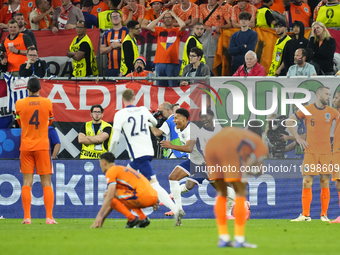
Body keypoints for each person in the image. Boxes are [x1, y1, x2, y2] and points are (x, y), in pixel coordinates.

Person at [108, 89, 184, 226]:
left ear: (122, 100)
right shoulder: (143, 110)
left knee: (152, 184)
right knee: (128, 183)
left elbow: (114, 139)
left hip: (138, 154)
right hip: (148, 152)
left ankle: (174, 209)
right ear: (134, 98)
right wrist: (147, 122)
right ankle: (137, 217)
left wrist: (110, 155)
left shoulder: (120, 114)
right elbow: (155, 122)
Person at [205, 127, 267, 248]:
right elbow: (254, 168)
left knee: (222, 192)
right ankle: (239, 239)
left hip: (210, 146)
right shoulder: (261, 145)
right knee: (240, 191)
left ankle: (223, 238)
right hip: (228, 148)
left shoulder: (242, 135)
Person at [286, 86, 339, 222]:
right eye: (326, 94)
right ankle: (305, 215)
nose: (329, 97)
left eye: (330, 94)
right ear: (319, 94)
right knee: (307, 182)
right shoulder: (307, 109)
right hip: (310, 151)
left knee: (324, 182)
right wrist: (298, 137)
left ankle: (324, 215)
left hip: (327, 152)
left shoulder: (332, 112)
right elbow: (289, 121)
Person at [15, 77, 57, 225]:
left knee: (27, 182)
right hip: (43, 146)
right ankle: (49, 217)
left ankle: (27, 217)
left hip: (26, 146)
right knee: (46, 183)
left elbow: (19, 121)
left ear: (27, 88)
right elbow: (50, 120)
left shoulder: (19, 103)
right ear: (40, 88)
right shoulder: (47, 102)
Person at [90, 152, 158, 228]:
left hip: (143, 196)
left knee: (108, 194)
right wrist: (102, 219)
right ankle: (143, 218)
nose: (100, 166)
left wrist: (99, 215)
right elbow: (114, 199)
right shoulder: (122, 169)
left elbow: (110, 196)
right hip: (153, 197)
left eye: (100, 163)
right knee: (119, 196)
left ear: (104, 162)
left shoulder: (111, 171)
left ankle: (132, 219)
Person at [146, 10, 186, 87]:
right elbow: (149, 27)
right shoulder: (159, 29)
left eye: (169, 17)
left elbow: (183, 25)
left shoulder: (177, 30)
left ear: (173, 19)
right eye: (165, 17)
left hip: (172, 63)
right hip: (159, 63)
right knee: (160, 87)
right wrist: (160, 16)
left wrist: (175, 15)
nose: (167, 19)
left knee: (172, 86)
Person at [100, 11, 129, 77]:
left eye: (117, 16)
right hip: (111, 67)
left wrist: (119, 45)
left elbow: (132, 47)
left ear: (121, 18)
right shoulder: (106, 34)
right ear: (111, 20)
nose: (115, 18)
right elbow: (101, 50)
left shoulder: (127, 32)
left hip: (125, 66)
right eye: (113, 17)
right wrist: (111, 47)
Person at [330, 91, 340, 223]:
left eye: (338, 97)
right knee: (338, 184)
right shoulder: (337, 113)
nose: (334, 100)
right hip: (336, 151)